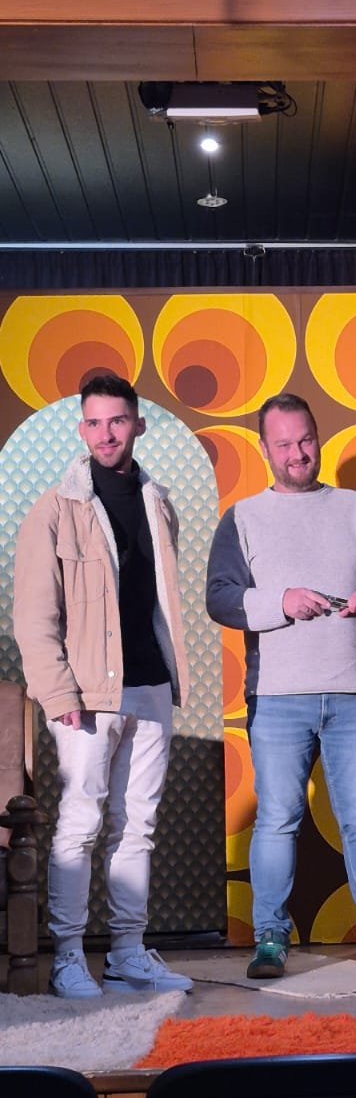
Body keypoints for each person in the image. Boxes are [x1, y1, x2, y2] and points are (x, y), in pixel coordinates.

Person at [206, 392, 356, 978]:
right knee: (277, 819)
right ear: (264, 449)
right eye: (285, 444)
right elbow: (219, 596)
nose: (298, 453)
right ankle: (270, 938)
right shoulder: (243, 517)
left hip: (352, 691)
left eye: (306, 440)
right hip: (277, 696)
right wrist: (282, 602)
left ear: (317, 437)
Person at [13, 375, 193, 999]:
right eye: (94, 423)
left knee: (136, 825)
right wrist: (58, 693)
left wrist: (169, 680)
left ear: (137, 425)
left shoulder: (157, 501)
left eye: (117, 421)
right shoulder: (55, 509)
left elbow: (158, 601)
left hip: (151, 686)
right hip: (88, 694)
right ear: (82, 429)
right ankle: (67, 957)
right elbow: (34, 615)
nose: (105, 433)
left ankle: (126, 953)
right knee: (80, 823)